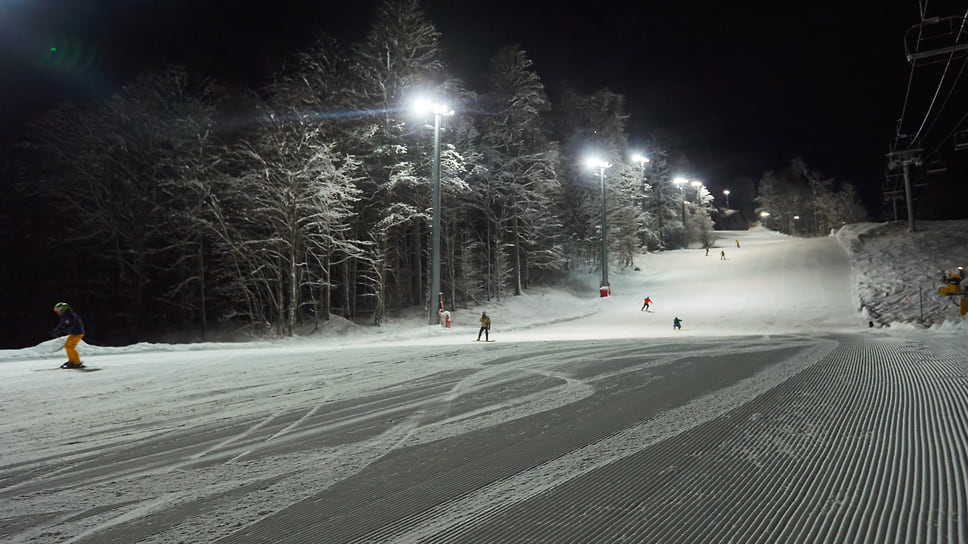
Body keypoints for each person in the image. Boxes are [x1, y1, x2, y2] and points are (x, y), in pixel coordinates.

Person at [52, 302, 85, 368]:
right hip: (73, 333)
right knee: (66, 346)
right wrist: (57, 330)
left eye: (58, 310)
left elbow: (72, 325)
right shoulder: (64, 315)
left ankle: (77, 362)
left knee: (70, 347)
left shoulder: (71, 315)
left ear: (62, 309)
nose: (57, 312)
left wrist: (62, 330)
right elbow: (62, 323)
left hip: (77, 333)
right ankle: (72, 361)